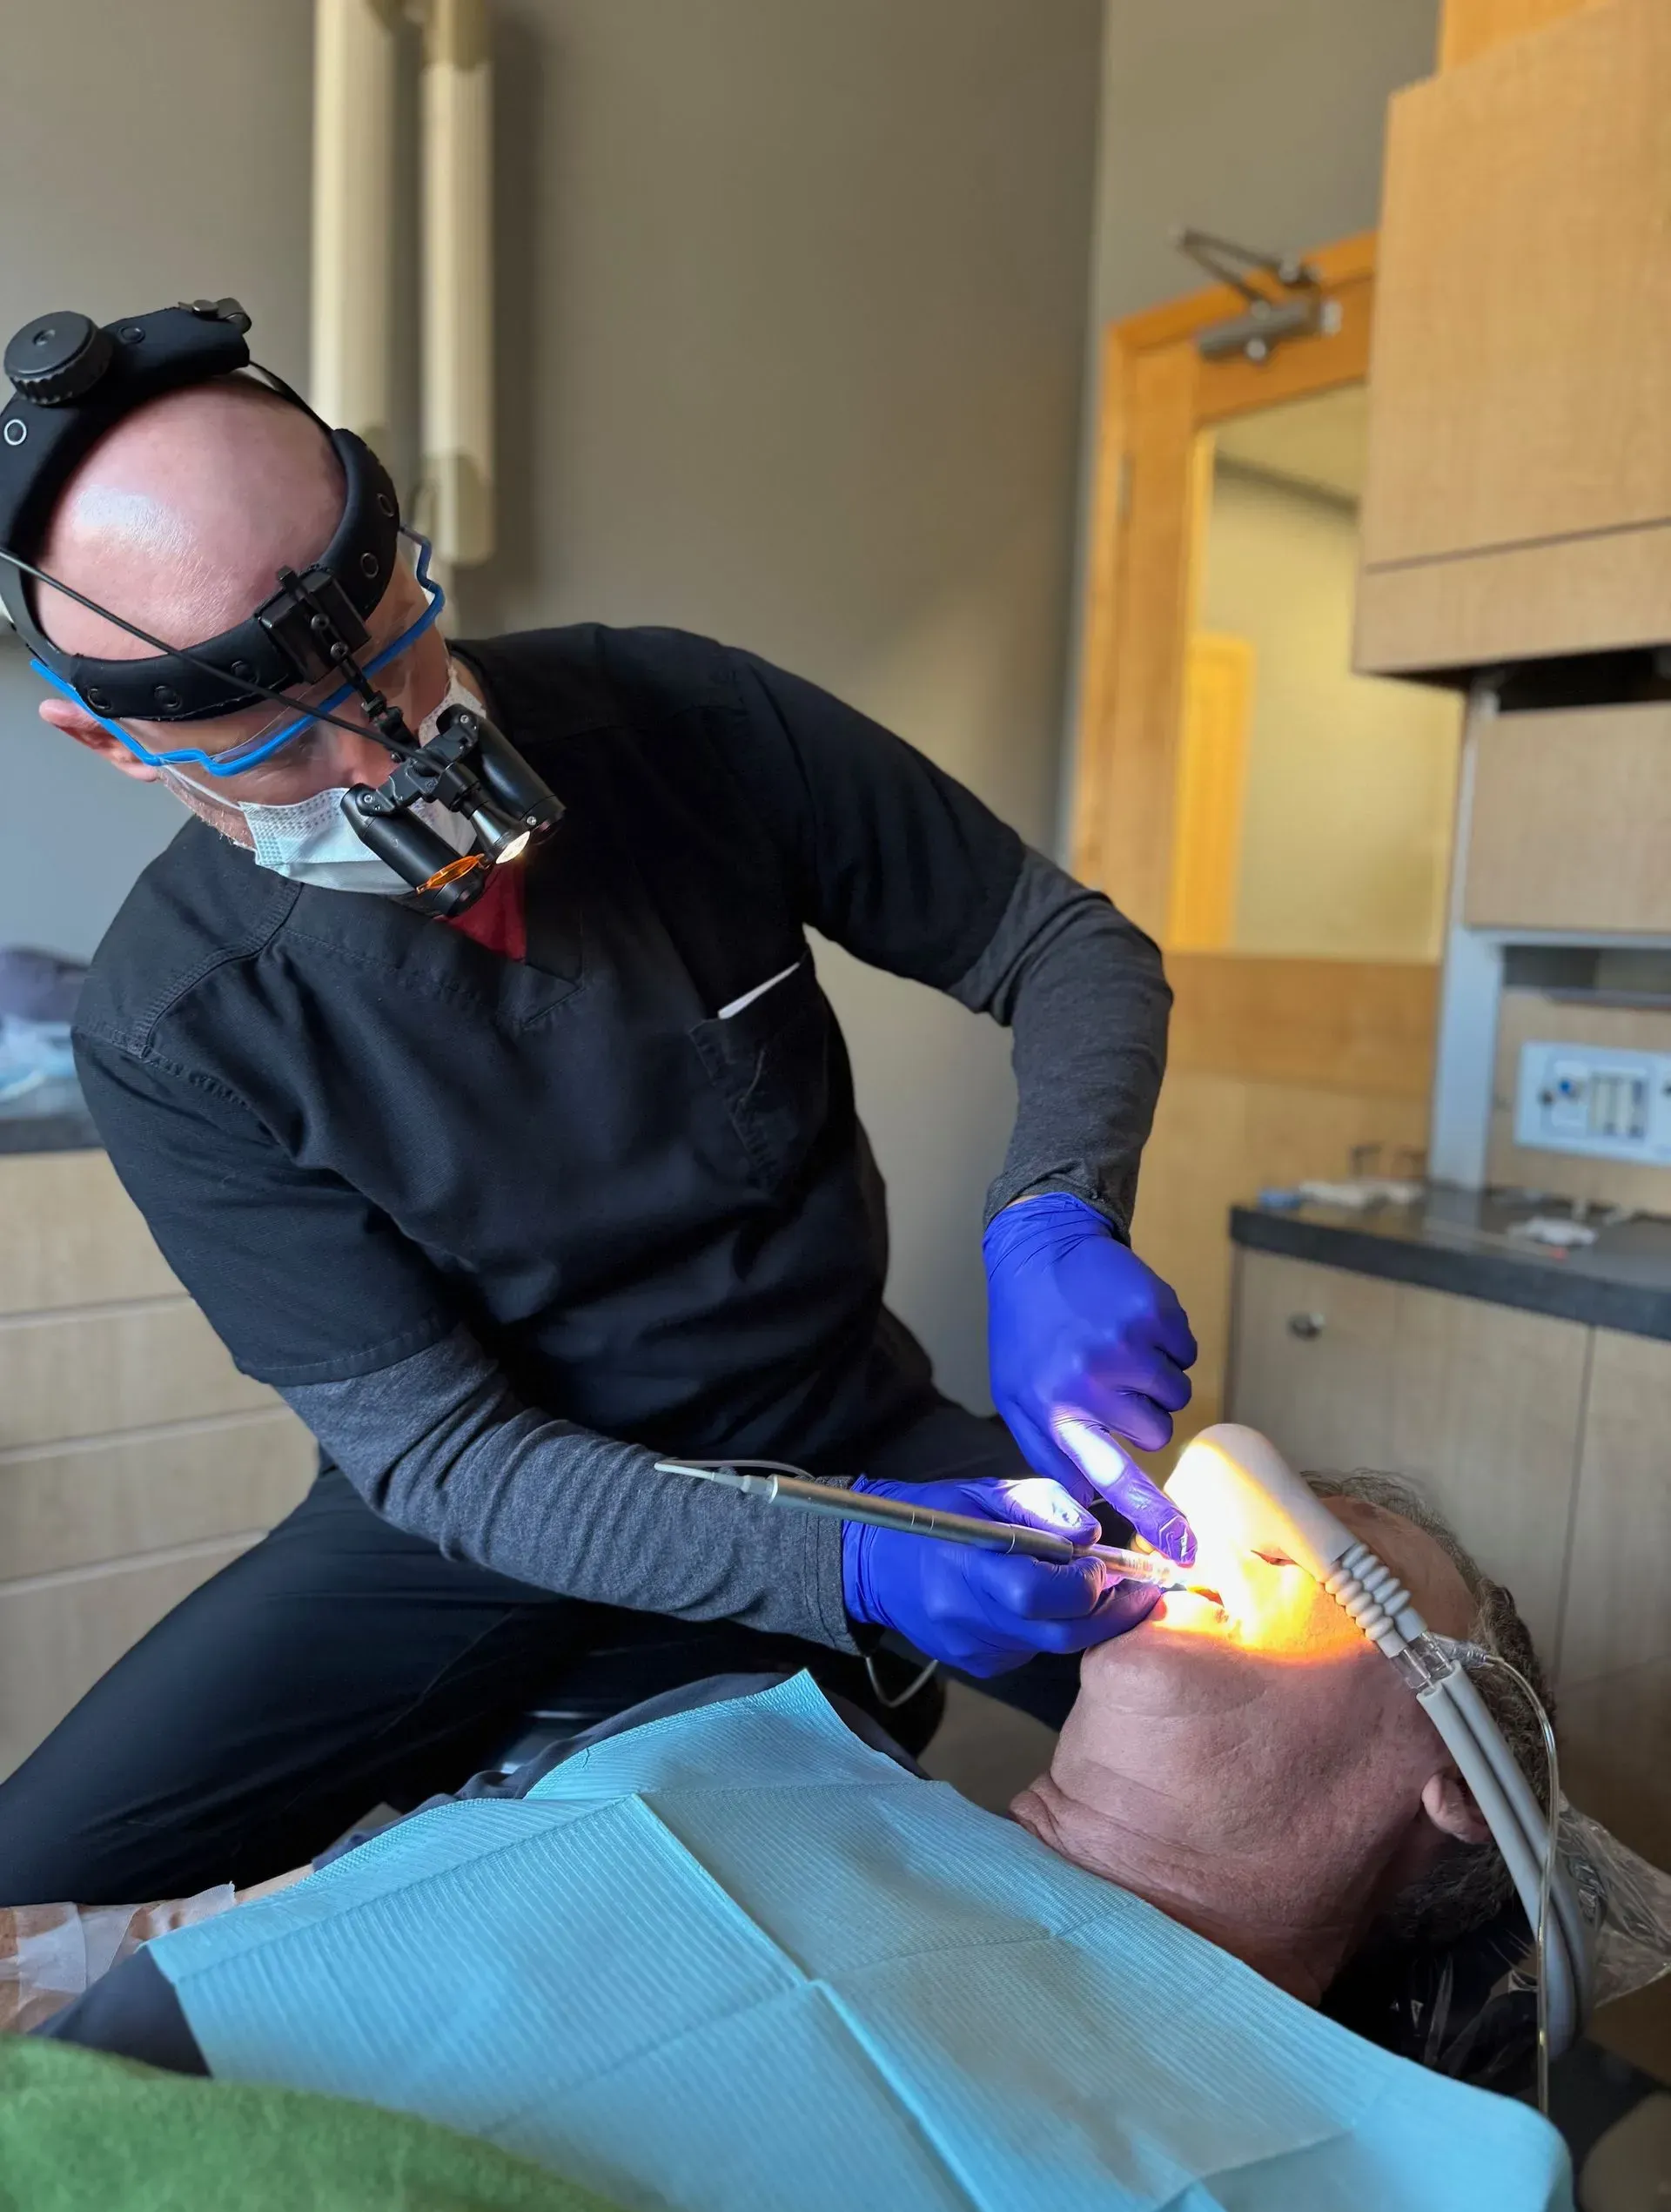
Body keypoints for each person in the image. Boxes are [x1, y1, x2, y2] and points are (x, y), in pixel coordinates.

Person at [0, 336, 1198, 1908]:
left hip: (843, 1429)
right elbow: (444, 1455)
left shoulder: (683, 718)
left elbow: (1058, 945)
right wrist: (836, 1570)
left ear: (397, 545)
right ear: (106, 737)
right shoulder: (175, 1024)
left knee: (1301, 1703)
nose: (385, 762)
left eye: (390, 660)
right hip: (475, 1513)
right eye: (280, 739)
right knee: (39, 1878)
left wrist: (1055, 1210)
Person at [23, 1467, 1570, 2212]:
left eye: (1332, 1556)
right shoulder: (741, 1744)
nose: (1239, 1517)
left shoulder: (1424, 2177)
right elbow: (202, 1943)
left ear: (1455, 1769)